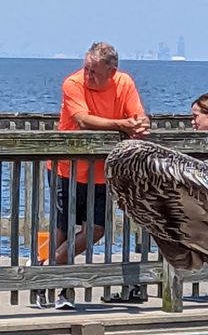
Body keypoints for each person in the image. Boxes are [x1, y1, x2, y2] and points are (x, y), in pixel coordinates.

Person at [35, 42, 149, 309]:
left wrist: (140, 125)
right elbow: (82, 119)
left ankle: (45, 269)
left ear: (112, 71)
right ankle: (60, 290)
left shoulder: (124, 83)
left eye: (94, 71)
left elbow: (138, 116)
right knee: (62, 229)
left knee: (97, 229)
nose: (88, 75)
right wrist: (122, 125)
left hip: (101, 172)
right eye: (86, 68)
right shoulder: (72, 83)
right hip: (67, 167)